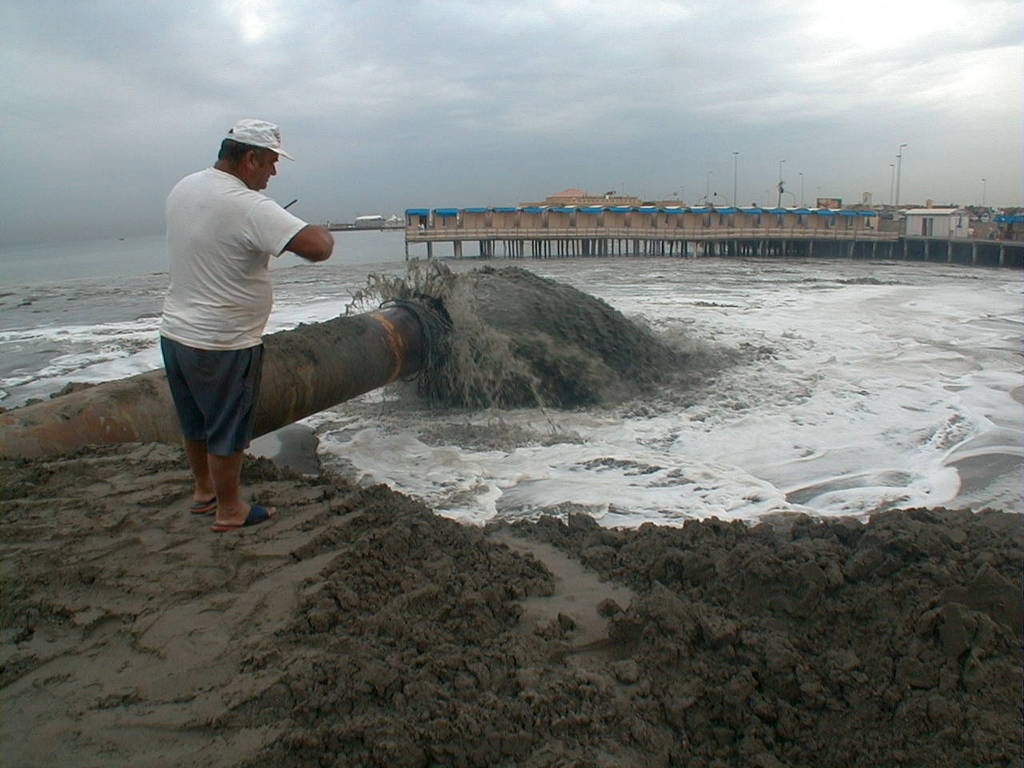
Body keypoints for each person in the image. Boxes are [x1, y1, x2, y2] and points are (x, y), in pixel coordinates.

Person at [160, 119, 334, 532]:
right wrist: (319, 229)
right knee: (228, 429)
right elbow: (318, 249)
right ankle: (230, 509)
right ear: (251, 158)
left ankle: (204, 493)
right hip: (224, 341)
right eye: (271, 162)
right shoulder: (248, 205)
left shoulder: (185, 187)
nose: (273, 173)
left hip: (177, 331)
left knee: (196, 422)